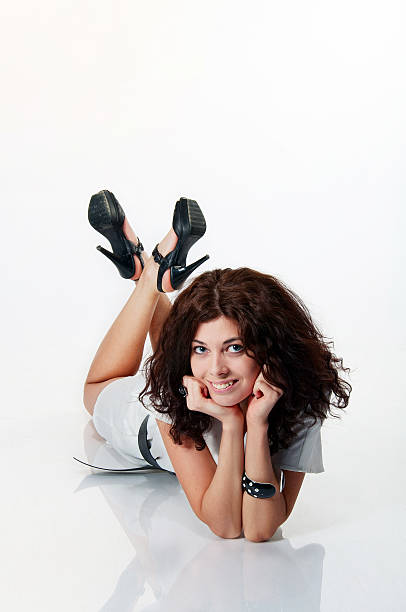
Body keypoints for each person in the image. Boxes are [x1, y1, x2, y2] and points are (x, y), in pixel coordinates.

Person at [83, 190, 351, 542]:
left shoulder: (299, 393)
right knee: (95, 391)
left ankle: (149, 272)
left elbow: (259, 529)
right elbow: (225, 525)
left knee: (205, 357)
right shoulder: (171, 396)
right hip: (142, 417)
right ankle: (149, 278)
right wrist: (231, 418)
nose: (217, 368)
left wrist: (253, 425)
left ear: (271, 345)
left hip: (202, 388)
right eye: (200, 349)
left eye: (236, 347)